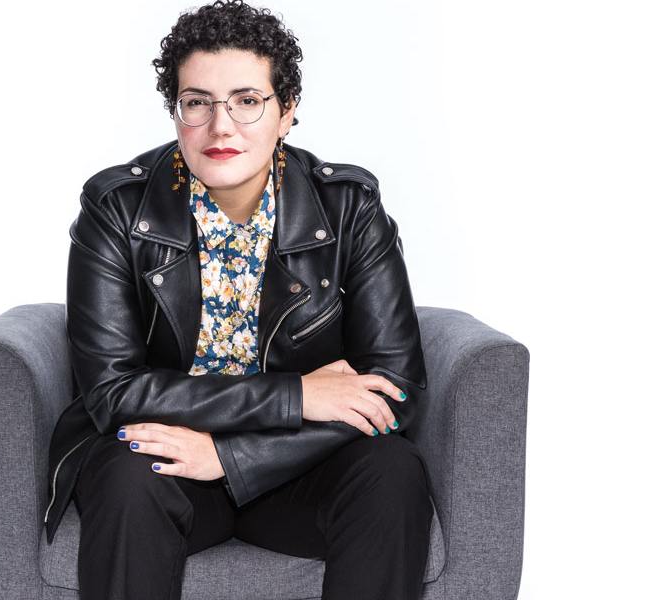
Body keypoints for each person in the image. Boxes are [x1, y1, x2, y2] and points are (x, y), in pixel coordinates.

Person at [43, 1, 435, 598]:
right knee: (127, 474)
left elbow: (395, 388)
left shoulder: (350, 208)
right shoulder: (116, 209)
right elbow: (112, 392)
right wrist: (298, 395)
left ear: (287, 111)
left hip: (299, 465)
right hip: (167, 462)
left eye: (247, 100)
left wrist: (233, 457)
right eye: (197, 102)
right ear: (176, 111)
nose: (220, 127)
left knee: (392, 470)